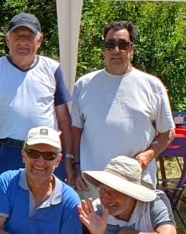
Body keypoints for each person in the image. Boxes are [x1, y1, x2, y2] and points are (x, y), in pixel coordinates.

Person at [0, 13, 73, 181]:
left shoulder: (52, 69)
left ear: (39, 40)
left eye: (28, 37)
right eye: (17, 36)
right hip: (7, 152)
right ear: (8, 40)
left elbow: (64, 118)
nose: (22, 42)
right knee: (7, 197)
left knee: (48, 197)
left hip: (46, 152)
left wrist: (69, 157)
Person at [69, 21, 174, 192]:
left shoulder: (152, 85)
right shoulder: (84, 85)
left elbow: (167, 132)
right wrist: (76, 165)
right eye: (110, 45)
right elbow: (76, 131)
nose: (116, 50)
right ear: (104, 50)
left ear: (132, 49)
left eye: (123, 45)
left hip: (137, 182)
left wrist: (148, 155)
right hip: (94, 181)